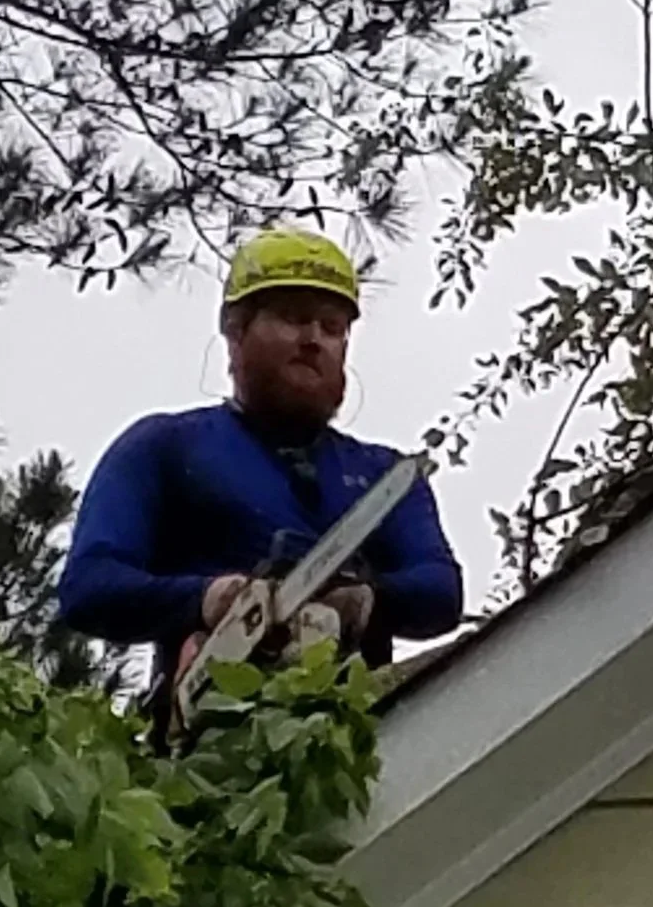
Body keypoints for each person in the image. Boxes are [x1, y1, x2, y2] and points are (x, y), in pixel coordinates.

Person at [57, 229, 463, 689]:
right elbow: (90, 585)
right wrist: (209, 598)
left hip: (361, 723)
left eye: (332, 328)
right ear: (236, 332)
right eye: (293, 318)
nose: (313, 339)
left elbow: (440, 589)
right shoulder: (165, 447)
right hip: (207, 734)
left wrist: (365, 600)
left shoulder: (383, 477)